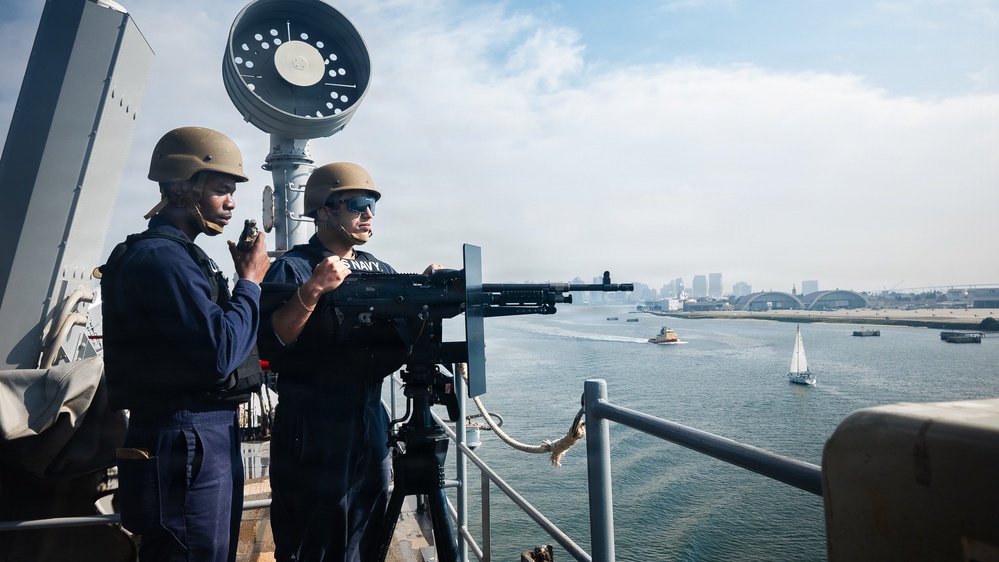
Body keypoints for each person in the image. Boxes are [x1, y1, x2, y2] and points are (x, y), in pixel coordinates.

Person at [100, 126, 270, 562]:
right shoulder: (162, 259)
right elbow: (219, 353)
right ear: (181, 188)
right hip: (184, 438)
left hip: (201, 433)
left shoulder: (180, 256)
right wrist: (250, 282)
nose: (231, 202)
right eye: (221, 190)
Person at [257, 162, 439, 561]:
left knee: (368, 524)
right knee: (312, 534)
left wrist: (430, 292)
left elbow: (406, 328)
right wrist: (313, 290)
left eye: (372, 204)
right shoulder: (294, 267)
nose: (368, 213)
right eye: (357, 204)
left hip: (369, 417)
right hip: (313, 423)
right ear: (324, 211)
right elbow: (271, 343)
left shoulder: (379, 269)